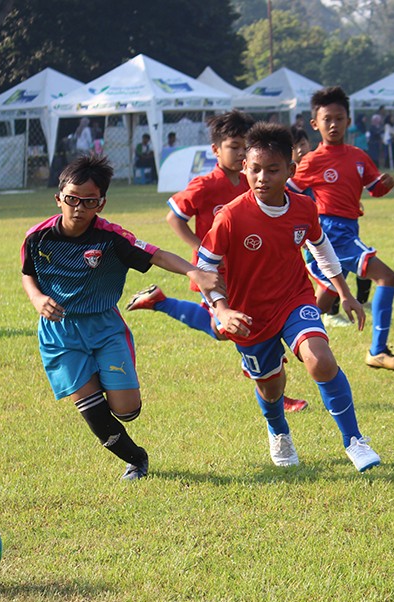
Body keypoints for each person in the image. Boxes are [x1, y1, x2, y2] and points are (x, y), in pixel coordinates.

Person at [21, 154, 223, 481]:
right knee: (92, 411)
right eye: (71, 199)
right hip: (60, 332)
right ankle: (136, 459)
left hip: (104, 328)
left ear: (101, 204)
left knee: (126, 410)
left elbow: (156, 254)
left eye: (89, 201)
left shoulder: (112, 237)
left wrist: (194, 272)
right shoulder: (37, 238)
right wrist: (37, 298)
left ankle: (101, 376)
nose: (79, 208)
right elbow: (27, 274)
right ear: (58, 198)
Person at [197, 122, 381, 472]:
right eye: (254, 169)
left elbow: (322, 248)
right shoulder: (231, 217)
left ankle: (354, 441)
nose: (262, 177)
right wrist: (221, 309)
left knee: (320, 359)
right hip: (248, 313)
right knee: (270, 387)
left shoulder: (303, 208)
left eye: (272, 169)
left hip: (293, 299)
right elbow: (205, 268)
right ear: (244, 168)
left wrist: (344, 293)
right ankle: (278, 428)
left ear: (290, 170)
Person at [127, 111, 309, 413]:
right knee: (233, 328)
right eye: (233, 146)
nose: (240, 153)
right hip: (214, 273)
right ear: (216, 150)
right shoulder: (206, 184)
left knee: (232, 329)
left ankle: (160, 301)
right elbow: (174, 217)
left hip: (248, 273)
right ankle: (273, 388)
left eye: (243, 147)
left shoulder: (254, 179)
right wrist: (201, 249)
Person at [289, 86, 394, 371]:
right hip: (332, 232)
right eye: (327, 119)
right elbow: (287, 192)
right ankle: (378, 350)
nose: (333, 124)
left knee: (322, 301)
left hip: (349, 229)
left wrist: (385, 185)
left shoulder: (358, 156)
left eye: (339, 118)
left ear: (348, 120)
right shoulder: (310, 161)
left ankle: (280, 340)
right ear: (315, 124)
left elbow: (375, 188)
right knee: (386, 277)